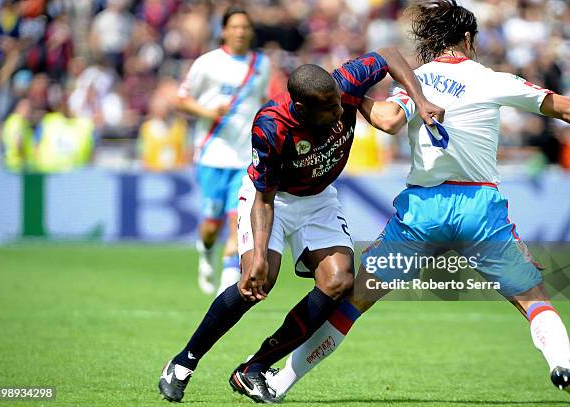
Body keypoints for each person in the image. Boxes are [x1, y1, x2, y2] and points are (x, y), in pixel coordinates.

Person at [262, 1, 570, 405]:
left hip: (421, 214)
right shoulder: (492, 79)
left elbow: (389, 121)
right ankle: (559, 363)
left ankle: (280, 383)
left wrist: (350, 97)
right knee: (533, 299)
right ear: (468, 39)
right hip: (479, 208)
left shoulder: (417, 80)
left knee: (353, 302)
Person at [158, 46, 445, 403]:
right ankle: (184, 362)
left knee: (339, 281)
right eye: (330, 108)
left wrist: (419, 99)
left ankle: (254, 368)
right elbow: (264, 199)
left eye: (339, 102)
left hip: (319, 199)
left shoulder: (345, 82)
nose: (341, 111)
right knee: (257, 281)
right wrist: (259, 254)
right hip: (274, 199)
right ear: (303, 108)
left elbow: (389, 55)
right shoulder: (270, 127)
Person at [176, 7, 271, 295]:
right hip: (212, 153)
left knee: (237, 221)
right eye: (235, 27)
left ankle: (227, 282)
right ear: (224, 31)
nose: (241, 32)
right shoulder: (207, 63)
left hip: (245, 157)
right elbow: (181, 99)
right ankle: (205, 251)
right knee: (210, 226)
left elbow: (263, 101)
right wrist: (208, 111)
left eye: (245, 27)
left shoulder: (261, 64)